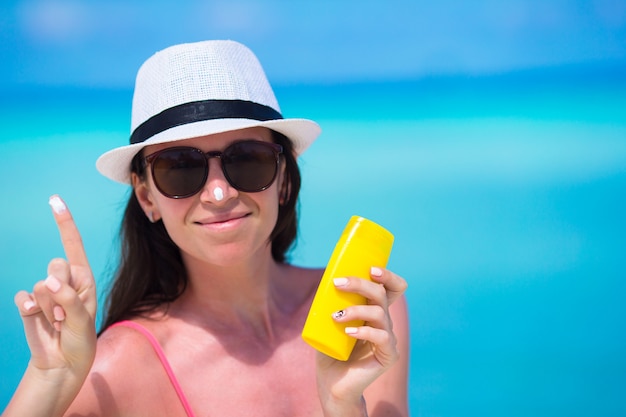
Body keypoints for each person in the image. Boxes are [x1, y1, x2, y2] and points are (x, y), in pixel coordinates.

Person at [2, 40, 409, 417]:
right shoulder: (120, 368)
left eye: (248, 159)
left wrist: (344, 407)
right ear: (147, 198)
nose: (218, 193)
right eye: (180, 168)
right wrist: (50, 381)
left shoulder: (360, 312)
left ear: (284, 178)